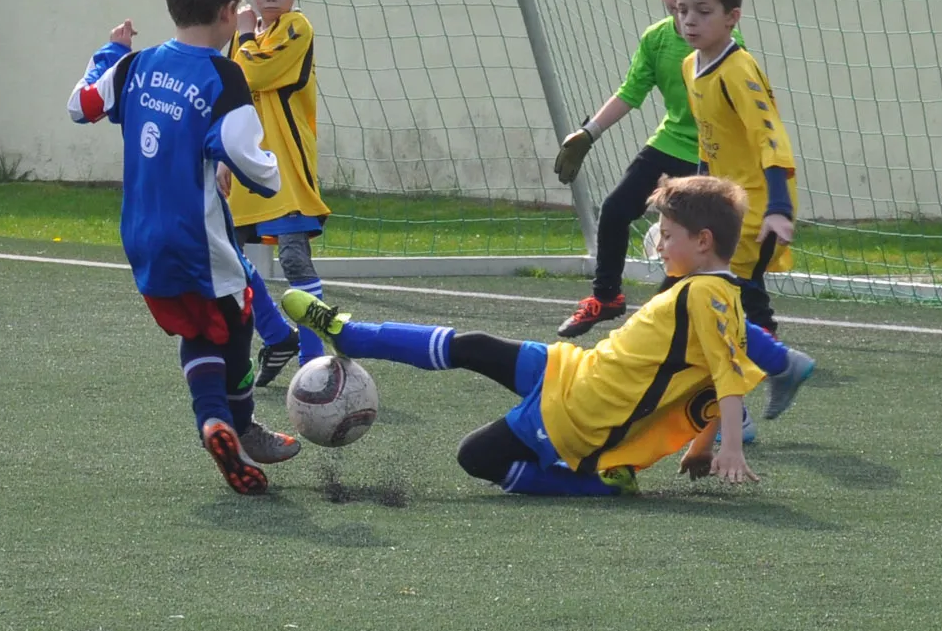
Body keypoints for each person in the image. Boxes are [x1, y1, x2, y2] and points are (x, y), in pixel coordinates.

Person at [281, 175, 766, 495]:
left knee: (475, 456)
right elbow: (715, 381)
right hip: (575, 371)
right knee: (474, 345)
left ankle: (596, 483)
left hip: (580, 414)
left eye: (668, 235)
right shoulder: (711, 293)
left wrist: (728, 446)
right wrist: (703, 446)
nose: (659, 246)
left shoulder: (706, 295)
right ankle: (352, 335)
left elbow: (725, 378)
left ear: (703, 241)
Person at [68, 0, 300, 494]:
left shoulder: (135, 65)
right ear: (228, 12)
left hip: (142, 238)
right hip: (198, 239)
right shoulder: (223, 75)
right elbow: (243, 153)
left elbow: (81, 105)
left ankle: (221, 426)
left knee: (197, 328)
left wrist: (110, 51)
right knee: (238, 320)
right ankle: (230, 423)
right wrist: (268, 173)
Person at [552, 0, 721, 337]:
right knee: (615, 210)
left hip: (712, 153)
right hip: (670, 142)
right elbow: (630, 93)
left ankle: (684, 320)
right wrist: (589, 133)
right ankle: (606, 296)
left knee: (694, 241)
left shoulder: (724, 42)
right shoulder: (656, 39)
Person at [675, 0, 814, 419]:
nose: (690, 21)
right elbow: (709, 140)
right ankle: (779, 368)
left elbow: (770, 137)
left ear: (732, 17)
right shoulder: (690, 66)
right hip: (723, 206)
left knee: (710, 304)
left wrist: (779, 207)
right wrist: (692, 200)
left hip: (755, 210)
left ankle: (735, 411)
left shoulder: (738, 70)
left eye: (703, 11)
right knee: (714, 306)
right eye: (682, 10)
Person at [225, 0, 332, 386]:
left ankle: (314, 360)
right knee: (225, 258)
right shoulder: (248, 34)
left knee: (293, 258)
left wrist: (244, 36)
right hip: (246, 166)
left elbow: (253, 72)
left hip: (284, 166)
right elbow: (231, 89)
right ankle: (275, 335)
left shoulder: (295, 28)